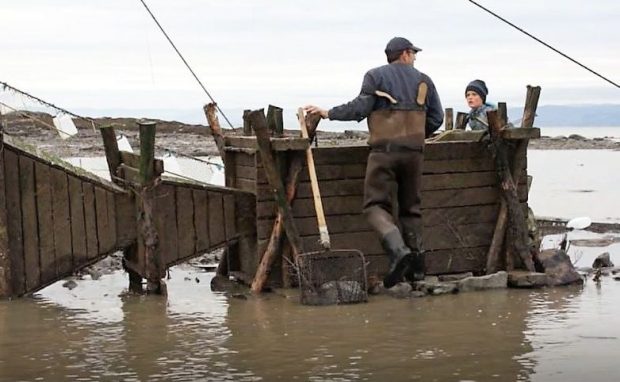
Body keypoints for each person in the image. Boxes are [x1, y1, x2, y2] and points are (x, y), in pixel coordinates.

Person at [305, 37, 443, 288]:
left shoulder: (375, 76)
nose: (414, 58)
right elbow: (437, 118)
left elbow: (360, 107)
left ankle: (399, 251)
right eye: (413, 53)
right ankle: (418, 271)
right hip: (414, 153)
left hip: (384, 151)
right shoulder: (425, 80)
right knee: (411, 208)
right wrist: (417, 135)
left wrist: (329, 113)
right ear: (403, 53)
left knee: (374, 206)